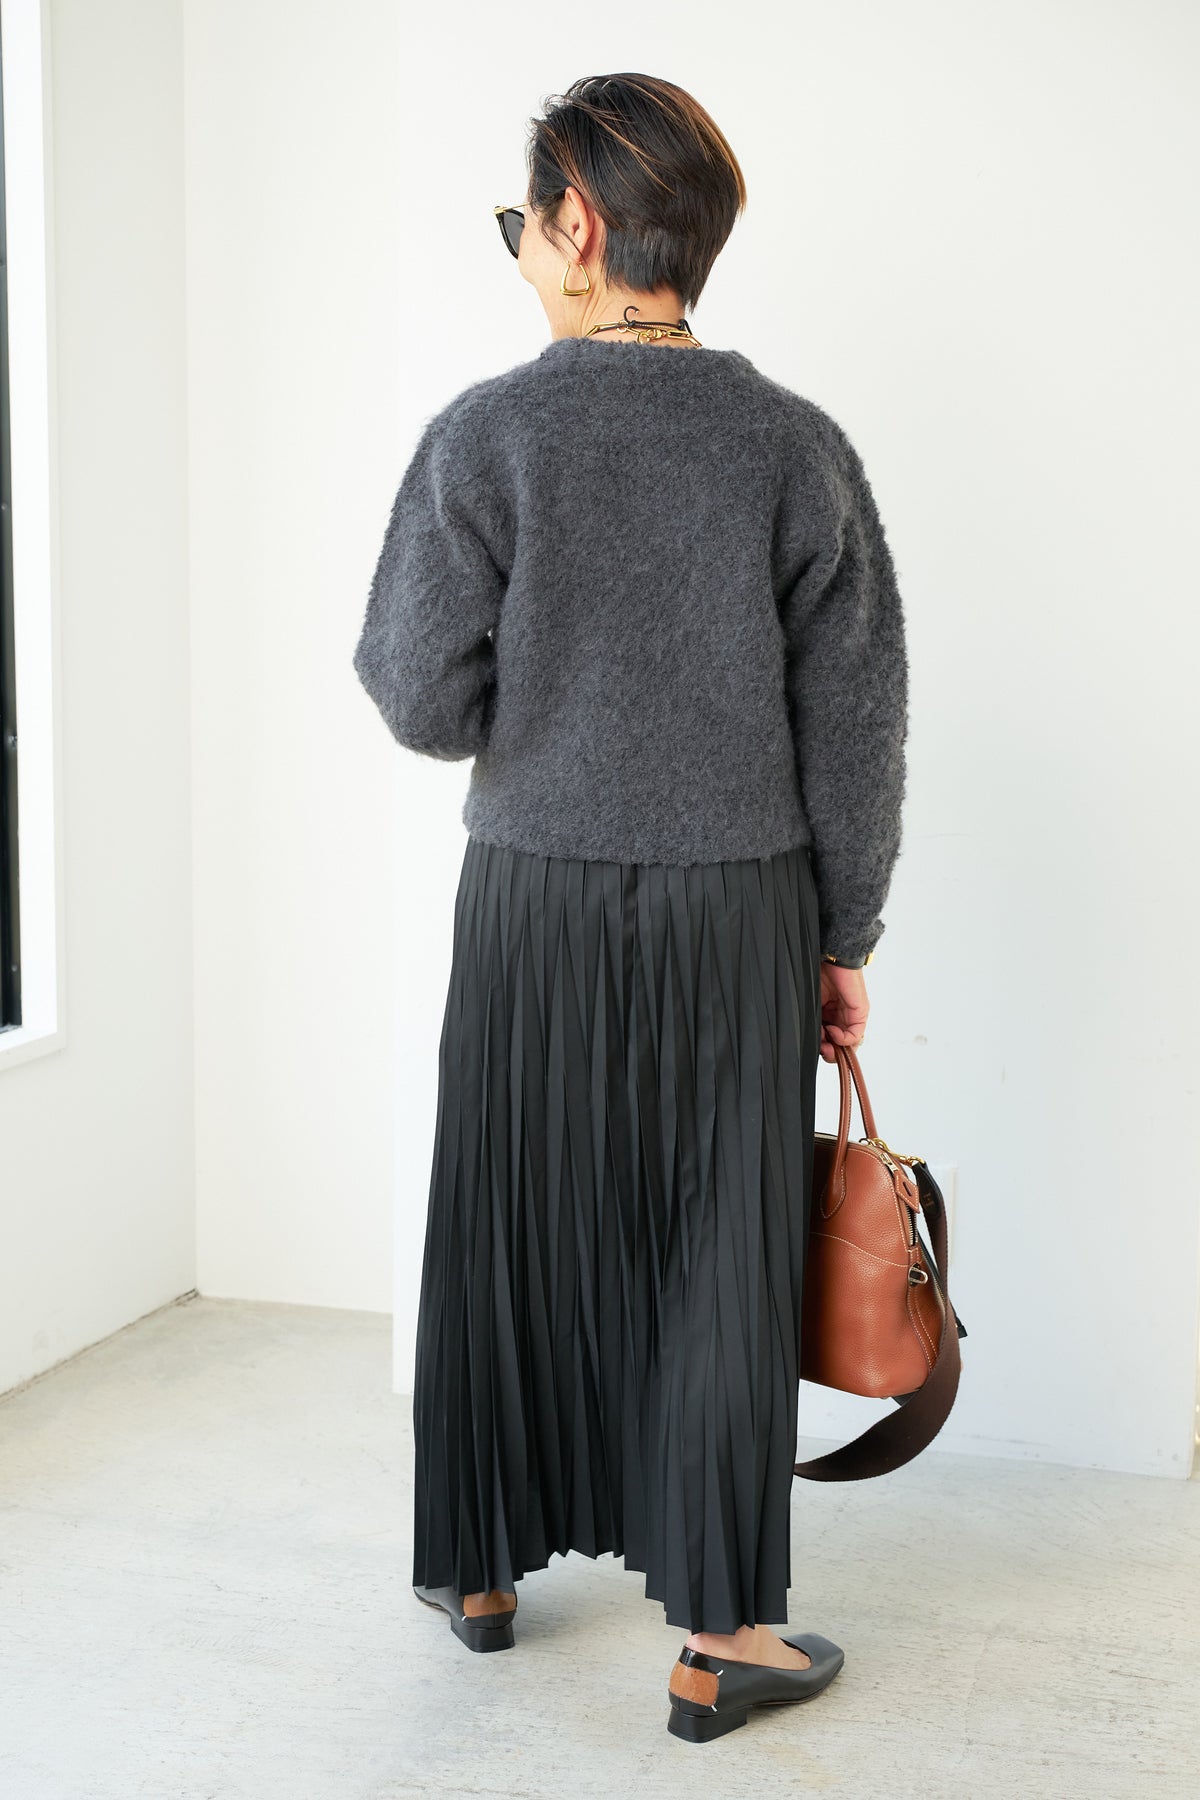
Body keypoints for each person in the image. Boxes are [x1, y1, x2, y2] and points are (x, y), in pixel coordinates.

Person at [352, 71, 909, 1745]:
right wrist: (842, 940)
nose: (525, 253)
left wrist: (547, 693)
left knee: (508, 1211)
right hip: (740, 909)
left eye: (523, 225)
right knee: (718, 1244)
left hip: (533, 890)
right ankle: (724, 1637)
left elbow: (416, 694)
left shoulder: (488, 435)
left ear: (582, 227)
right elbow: (856, 729)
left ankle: (475, 1569)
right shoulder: (796, 448)